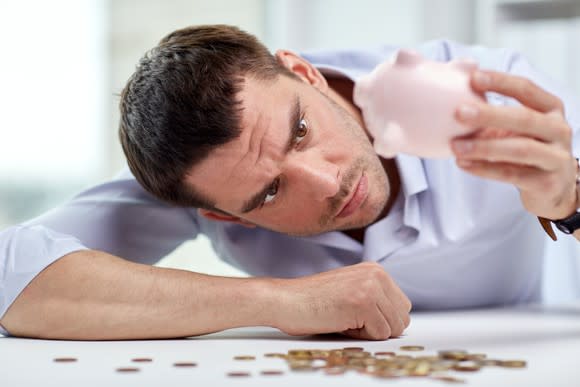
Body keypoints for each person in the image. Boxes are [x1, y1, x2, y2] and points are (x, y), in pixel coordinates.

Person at [1, 25, 579, 341]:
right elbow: (10, 273)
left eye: (300, 130)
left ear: (303, 71)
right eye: (269, 193)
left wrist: (572, 202)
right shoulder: (199, 188)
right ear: (225, 216)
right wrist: (277, 302)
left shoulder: (483, 96)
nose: (328, 182)